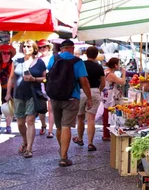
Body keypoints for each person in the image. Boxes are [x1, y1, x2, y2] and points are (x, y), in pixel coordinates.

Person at [46, 39, 92, 167]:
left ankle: (62, 151)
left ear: (61, 48)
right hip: (71, 98)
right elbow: (84, 81)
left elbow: (49, 73)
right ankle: (63, 157)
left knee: (59, 126)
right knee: (66, 126)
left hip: (55, 97)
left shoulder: (53, 58)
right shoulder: (77, 61)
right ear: (72, 48)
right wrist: (89, 98)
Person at [5, 40, 46, 158]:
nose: (26, 48)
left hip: (33, 95)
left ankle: (29, 149)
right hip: (18, 95)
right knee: (20, 123)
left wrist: (34, 79)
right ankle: (24, 140)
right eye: (24, 46)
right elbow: (12, 78)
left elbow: (45, 79)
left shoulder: (40, 62)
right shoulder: (17, 62)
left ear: (34, 49)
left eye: (28, 46)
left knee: (30, 121)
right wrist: (8, 93)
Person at [75, 46, 105, 151]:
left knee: (80, 118)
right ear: (96, 55)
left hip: (81, 92)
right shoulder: (99, 67)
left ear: (86, 54)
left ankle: (80, 138)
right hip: (94, 91)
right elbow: (103, 83)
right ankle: (90, 143)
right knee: (91, 119)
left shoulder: (80, 65)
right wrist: (98, 91)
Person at [102, 57, 126, 141]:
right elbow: (122, 82)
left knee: (106, 113)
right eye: (119, 64)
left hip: (106, 94)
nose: (120, 66)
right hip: (110, 96)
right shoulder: (111, 74)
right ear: (115, 65)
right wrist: (124, 73)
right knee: (109, 114)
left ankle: (106, 133)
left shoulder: (106, 71)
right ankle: (106, 134)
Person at [37, 39, 54, 139]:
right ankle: (43, 125)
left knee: (50, 108)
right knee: (41, 109)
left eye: (44, 47)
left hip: (51, 85)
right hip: (40, 85)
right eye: (40, 47)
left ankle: (50, 131)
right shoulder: (37, 59)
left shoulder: (53, 58)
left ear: (48, 47)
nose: (42, 49)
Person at [0, 44, 16, 133]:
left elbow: (13, 77)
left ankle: (8, 125)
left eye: (8, 53)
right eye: (4, 53)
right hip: (0, 88)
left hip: (9, 88)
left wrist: (8, 92)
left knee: (8, 107)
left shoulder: (12, 64)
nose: (6, 55)